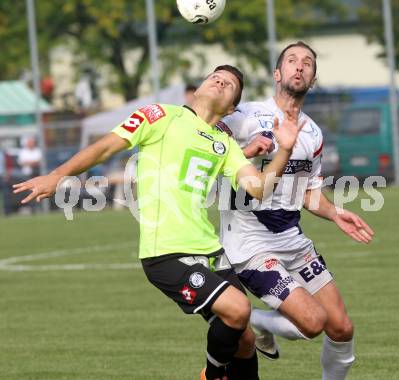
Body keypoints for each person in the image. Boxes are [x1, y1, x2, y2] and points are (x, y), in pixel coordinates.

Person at [13, 65, 305, 380]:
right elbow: (106, 146)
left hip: (209, 249)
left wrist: (284, 149)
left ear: (233, 106)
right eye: (214, 77)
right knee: (238, 310)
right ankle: (213, 373)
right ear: (197, 89)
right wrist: (58, 176)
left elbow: (258, 188)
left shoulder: (225, 144)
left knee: (245, 340)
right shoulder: (160, 115)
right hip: (166, 252)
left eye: (231, 83)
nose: (220, 81)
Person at [218, 42, 374, 380]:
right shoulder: (244, 116)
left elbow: (307, 192)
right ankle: (247, 318)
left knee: (342, 328)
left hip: (293, 241)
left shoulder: (313, 133)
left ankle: (253, 321)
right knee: (313, 322)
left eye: (307, 63)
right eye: (291, 61)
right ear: (277, 73)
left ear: (313, 79)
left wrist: (335, 214)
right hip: (250, 245)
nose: (299, 67)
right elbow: (208, 152)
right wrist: (246, 151)